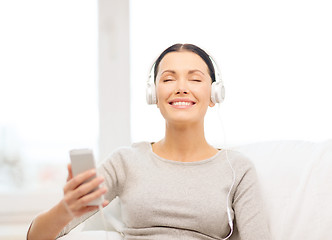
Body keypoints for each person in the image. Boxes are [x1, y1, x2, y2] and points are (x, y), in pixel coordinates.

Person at [27, 43, 271, 240]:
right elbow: (35, 237)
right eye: (168, 79)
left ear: (215, 94)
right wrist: (66, 209)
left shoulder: (237, 169)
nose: (181, 88)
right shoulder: (126, 161)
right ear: (153, 95)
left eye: (195, 79)